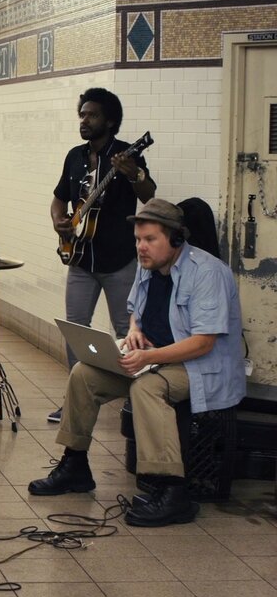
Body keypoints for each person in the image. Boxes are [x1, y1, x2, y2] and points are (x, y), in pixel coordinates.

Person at [28, 199, 245, 527]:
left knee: (146, 387)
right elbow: (134, 310)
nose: (141, 247)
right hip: (155, 358)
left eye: (149, 240)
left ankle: (173, 492)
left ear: (175, 239)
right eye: (138, 240)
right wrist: (133, 333)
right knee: (84, 373)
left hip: (201, 366)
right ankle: (75, 465)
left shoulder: (207, 273)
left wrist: (148, 357)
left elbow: (204, 342)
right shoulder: (149, 267)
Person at [48, 87, 156, 423]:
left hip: (119, 260)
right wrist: (59, 222)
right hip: (80, 259)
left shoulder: (126, 154)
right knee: (75, 329)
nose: (84, 120)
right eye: (82, 114)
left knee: (127, 330)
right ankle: (76, 399)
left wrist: (132, 173)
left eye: (91, 115)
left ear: (109, 121)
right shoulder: (74, 156)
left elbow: (148, 193)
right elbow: (58, 199)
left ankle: (133, 400)